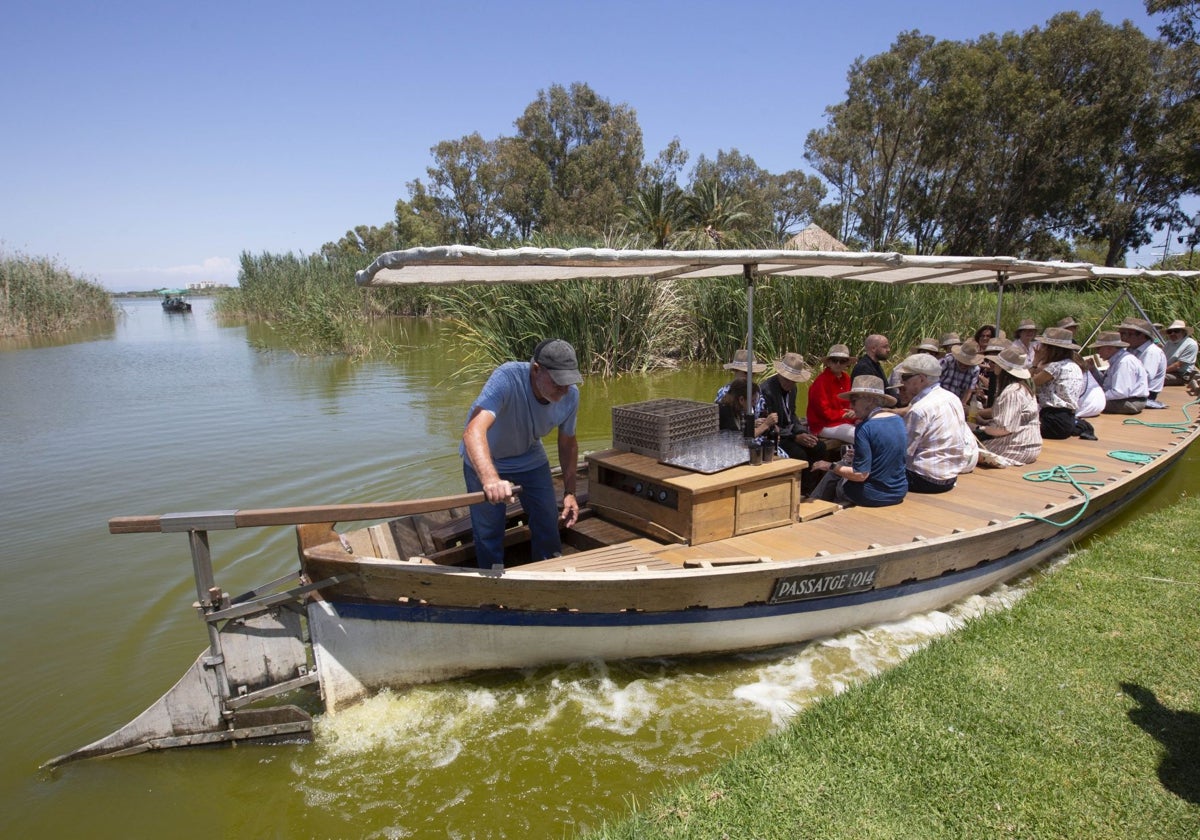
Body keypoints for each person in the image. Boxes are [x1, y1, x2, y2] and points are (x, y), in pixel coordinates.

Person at [461, 338, 582, 569]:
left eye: (569, 382)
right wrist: (490, 480)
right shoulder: (507, 378)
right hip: (488, 459)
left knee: (548, 519)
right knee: (489, 530)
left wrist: (570, 491)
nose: (564, 390)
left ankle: (548, 571)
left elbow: (568, 444)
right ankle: (493, 580)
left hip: (528, 455)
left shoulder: (571, 396)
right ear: (536, 370)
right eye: (558, 382)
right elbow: (473, 432)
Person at [811, 375, 907, 507]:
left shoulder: (865, 428)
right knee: (841, 464)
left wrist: (829, 466)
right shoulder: (898, 420)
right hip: (898, 492)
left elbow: (860, 474)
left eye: (854, 401)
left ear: (869, 400)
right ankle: (816, 501)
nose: (850, 406)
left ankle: (821, 506)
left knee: (837, 477)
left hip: (872, 496)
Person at [894, 353, 979, 493]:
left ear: (921, 379)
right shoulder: (952, 398)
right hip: (950, 477)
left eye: (905, 377)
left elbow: (904, 451)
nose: (903, 383)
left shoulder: (919, 409)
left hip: (924, 479)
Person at [760, 353, 830, 488]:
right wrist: (795, 437)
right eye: (787, 379)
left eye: (793, 380)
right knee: (799, 454)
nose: (790, 383)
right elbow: (768, 423)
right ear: (780, 374)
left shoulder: (793, 389)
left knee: (819, 447)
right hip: (774, 435)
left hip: (789, 433)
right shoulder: (766, 390)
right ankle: (800, 490)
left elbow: (791, 414)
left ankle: (811, 488)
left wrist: (802, 432)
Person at [973, 346, 1042, 467]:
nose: (993, 365)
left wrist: (979, 429)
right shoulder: (1024, 387)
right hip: (1030, 445)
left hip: (1015, 448)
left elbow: (1004, 429)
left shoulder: (1012, 392)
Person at [1030, 327, 1083, 439]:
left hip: (1053, 420)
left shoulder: (1055, 367)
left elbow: (1028, 384)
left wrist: (1035, 361)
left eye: (1044, 346)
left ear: (1051, 349)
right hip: (1068, 419)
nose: (1042, 348)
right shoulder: (1074, 366)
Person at [1086, 331, 1148, 415]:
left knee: (1087, 403)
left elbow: (1120, 392)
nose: (1097, 352)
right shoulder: (1118, 360)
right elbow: (1105, 383)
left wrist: (1098, 396)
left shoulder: (1124, 362)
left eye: (1098, 348)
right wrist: (1093, 369)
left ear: (1109, 348)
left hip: (1130, 402)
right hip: (1124, 400)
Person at [807, 344, 856, 445]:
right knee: (858, 435)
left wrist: (854, 412)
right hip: (824, 425)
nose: (838, 364)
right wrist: (844, 414)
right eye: (834, 360)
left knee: (872, 429)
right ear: (829, 362)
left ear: (847, 363)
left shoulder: (847, 379)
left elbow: (853, 402)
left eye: (842, 361)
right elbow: (824, 412)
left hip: (845, 421)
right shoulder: (821, 382)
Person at [1120, 318, 1167, 404]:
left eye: (1128, 334)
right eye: (1121, 334)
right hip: (1132, 390)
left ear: (1141, 336)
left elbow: (1145, 377)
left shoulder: (1151, 352)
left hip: (1144, 395)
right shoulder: (1131, 349)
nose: (1123, 337)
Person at [852, 334, 898, 402]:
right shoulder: (864, 367)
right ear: (873, 348)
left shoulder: (875, 365)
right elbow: (868, 396)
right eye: (885, 347)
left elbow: (887, 390)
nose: (888, 350)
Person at [939, 339, 984, 405]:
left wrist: (962, 404)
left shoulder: (975, 369)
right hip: (940, 397)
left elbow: (969, 390)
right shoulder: (948, 360)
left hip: (956, 401)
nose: (963, 365)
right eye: (961, 362)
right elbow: (934, 378)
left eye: (966, 364)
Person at [1163, 319, 1198, 386]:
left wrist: (1160, 372)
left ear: (1184, 332)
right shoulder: (1168, 343)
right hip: (1166, 371)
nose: (1172, 334)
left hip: (1180, 375)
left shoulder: (1191, 344)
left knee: (1153, 378)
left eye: (1176, 331)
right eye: (1170, 332)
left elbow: (1178, 365)